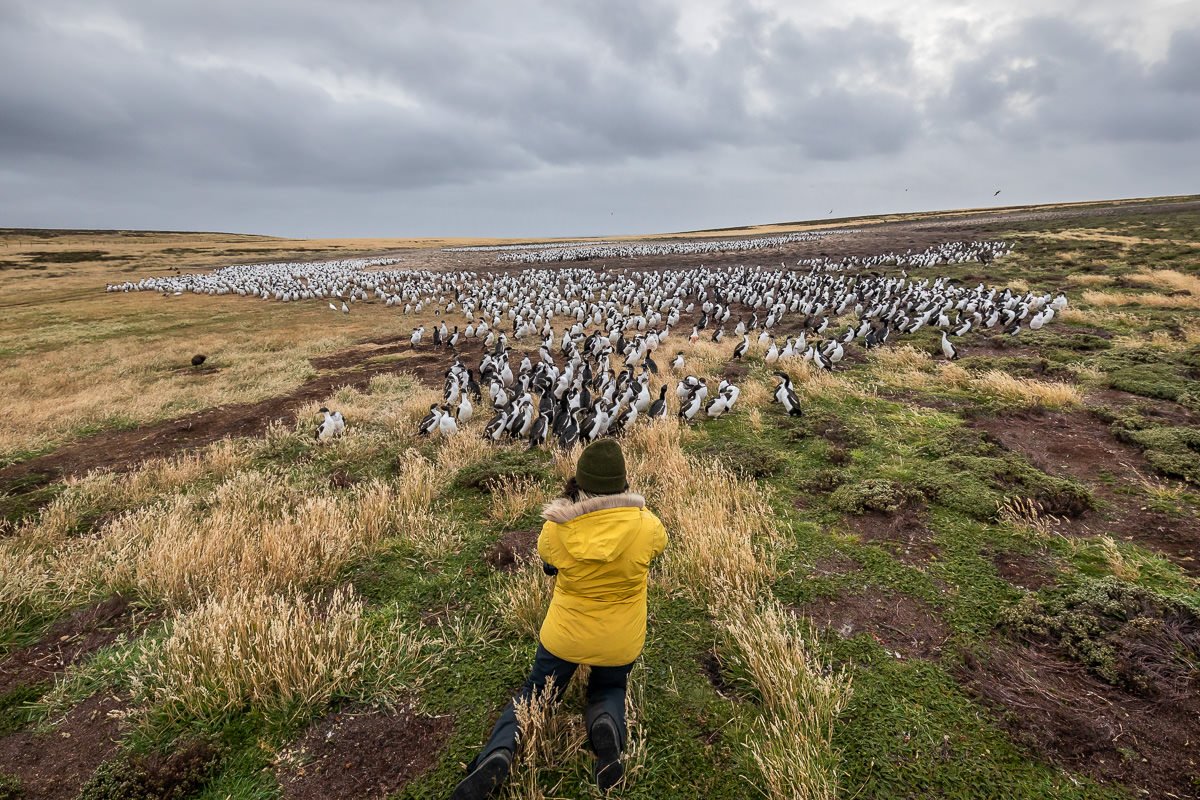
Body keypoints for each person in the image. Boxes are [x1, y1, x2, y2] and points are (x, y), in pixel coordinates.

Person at [452, 439, 668, 798]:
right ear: (623, 482)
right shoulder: (647, 526)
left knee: (536, 694)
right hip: (620, 639)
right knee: (610, 687)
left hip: (564, 635)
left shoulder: (557, 528)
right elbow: (657, 548)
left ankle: (500, 752)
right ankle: (605, 725)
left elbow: (549, 565)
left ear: (579, 482)